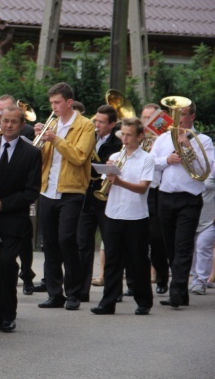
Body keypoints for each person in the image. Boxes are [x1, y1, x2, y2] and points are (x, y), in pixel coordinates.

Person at [0, 104, 41, 332]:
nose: (9, 125)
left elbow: (32, 191)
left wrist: (4, 204)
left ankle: (8, 314)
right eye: (5, 121)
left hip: (13, 219)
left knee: (6, 265)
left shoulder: (32, 153)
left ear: (22, 125)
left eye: (14, 122)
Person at [35, 82, 95, 311]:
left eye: (57, 103)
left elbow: (80, 156)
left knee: (66, 241)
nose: (54, 107)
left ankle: (74, 293)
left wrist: (55, 140)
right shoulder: (52, 124)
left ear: (69, 102)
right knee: (49, 244)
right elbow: (41, 160)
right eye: (51, 103)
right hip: (47, 190)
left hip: (71, 191)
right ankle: (54, 293)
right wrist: (39, 141)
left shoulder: (85, 126)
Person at [150, 101, 214, 308]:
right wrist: (167, 160)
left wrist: (187, 145)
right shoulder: (162, 139)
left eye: (184, 115)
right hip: (166, 197)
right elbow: (151, 164)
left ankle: (176, 291)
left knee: (183, 245)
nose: (179, 120)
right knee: (170, 246)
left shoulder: (203, 140)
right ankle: (180, 290)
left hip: (189, 199)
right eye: (176, 115)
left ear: (192, 117)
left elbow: (206, 170)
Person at [91, 118, 155, 315]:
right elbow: (107, 188)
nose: (124, 139)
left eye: (128, 135)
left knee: (138, 261)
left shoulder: (147, 159)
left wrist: (119, 181)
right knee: (112, 261)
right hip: (113, 214)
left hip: (136, 217)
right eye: (123, 135)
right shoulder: (115, 156)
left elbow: (143, 188)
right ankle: (107, 302)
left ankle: (144, 301)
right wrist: (108, 176)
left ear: (139, 137)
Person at [76, 104, 121, 302]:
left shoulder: (118, 142)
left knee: (111, 246)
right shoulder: (89, 137)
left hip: (108, 196)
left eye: (102, 122)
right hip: (88, 195)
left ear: (112, 124)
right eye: (96, 120)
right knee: (83, 245)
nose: (97, 125)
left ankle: (114, 290)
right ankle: (82, 291)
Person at [140, 103, 169, 294]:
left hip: (157, 191)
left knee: (157, 238)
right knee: (138, 238)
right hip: (139, 190)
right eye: (143, 118)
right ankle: (137, 282)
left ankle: (162, 276)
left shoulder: (166, 139)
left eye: (150, 118)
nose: (146, 122)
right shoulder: (137, 138)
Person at [189, 172, 215, 295]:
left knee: (203, 246)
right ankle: (194, 279)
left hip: (210, 218)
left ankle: (201, 281)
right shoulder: (188, 168)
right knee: (192, 249)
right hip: (190, 217)